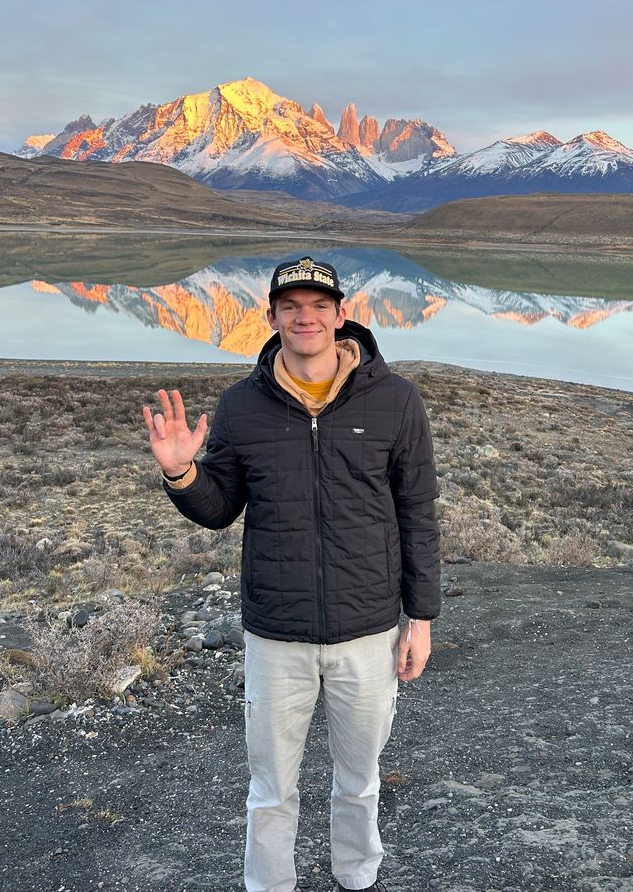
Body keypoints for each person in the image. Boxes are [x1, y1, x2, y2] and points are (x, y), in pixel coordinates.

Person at [143, 255, 441, 892]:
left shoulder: (396, 400)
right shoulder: (241, 406)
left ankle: (356, 877)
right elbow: (220, 508)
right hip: (276, 634)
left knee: (359, 779)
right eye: (291, 307)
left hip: (368, 630)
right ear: (272, 317)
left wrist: (421, 618)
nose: (306, 318)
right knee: (271, 787)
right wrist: (181, 473)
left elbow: (417, 511)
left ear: (341, 315)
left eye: (318, 307)